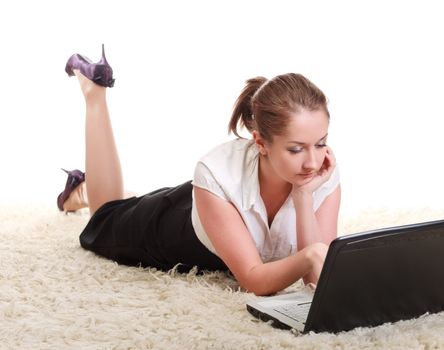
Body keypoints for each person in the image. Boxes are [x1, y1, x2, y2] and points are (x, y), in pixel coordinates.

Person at [59, 45, 341, 296]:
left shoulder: (319, 176)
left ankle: (83, 187)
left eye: (320, 143)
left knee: (129, 203)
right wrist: (311, 255)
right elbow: (254, 280)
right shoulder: (217, 173)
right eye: (296, 149)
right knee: (104, 216)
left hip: (211, 206)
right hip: (173, 225)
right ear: (260, 142)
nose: (313, 163)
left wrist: (303, 198)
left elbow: (317, 280)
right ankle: (94, 92)